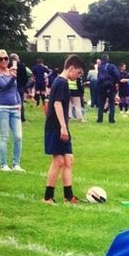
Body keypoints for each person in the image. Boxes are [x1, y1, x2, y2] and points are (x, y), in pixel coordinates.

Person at [44, 54, 82, 202]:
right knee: (58, 161)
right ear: (71, 68)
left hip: (61, 127)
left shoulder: (62, 82)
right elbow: (57, 104)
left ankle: (68, 196)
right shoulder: (61, 83)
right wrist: (63, 127)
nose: (78, 76)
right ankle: (48, 197)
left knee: (68, 160)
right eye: (78, 73)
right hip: (56, 127)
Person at [0, 49, 24, 172]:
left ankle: (16, 164)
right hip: (2, 108)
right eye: (0, 59)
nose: (3, 61)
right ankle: (3, 164)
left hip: (14, 108)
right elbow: (4, 87)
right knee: (4, 137)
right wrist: (13, 78)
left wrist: (19, 103)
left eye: (6, 58)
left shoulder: (10, 72)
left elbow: (15, 90)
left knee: (18, 137)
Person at [96, 52, 120, 123]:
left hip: (101, 87)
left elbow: (98, 77)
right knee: (111, 103)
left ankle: (100, 119)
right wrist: (114, 82)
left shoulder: (99, 67)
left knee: (101, 103)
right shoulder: (112, 66)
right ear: (108, 59)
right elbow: (117, 75)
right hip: (111, 87)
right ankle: (111, 119)